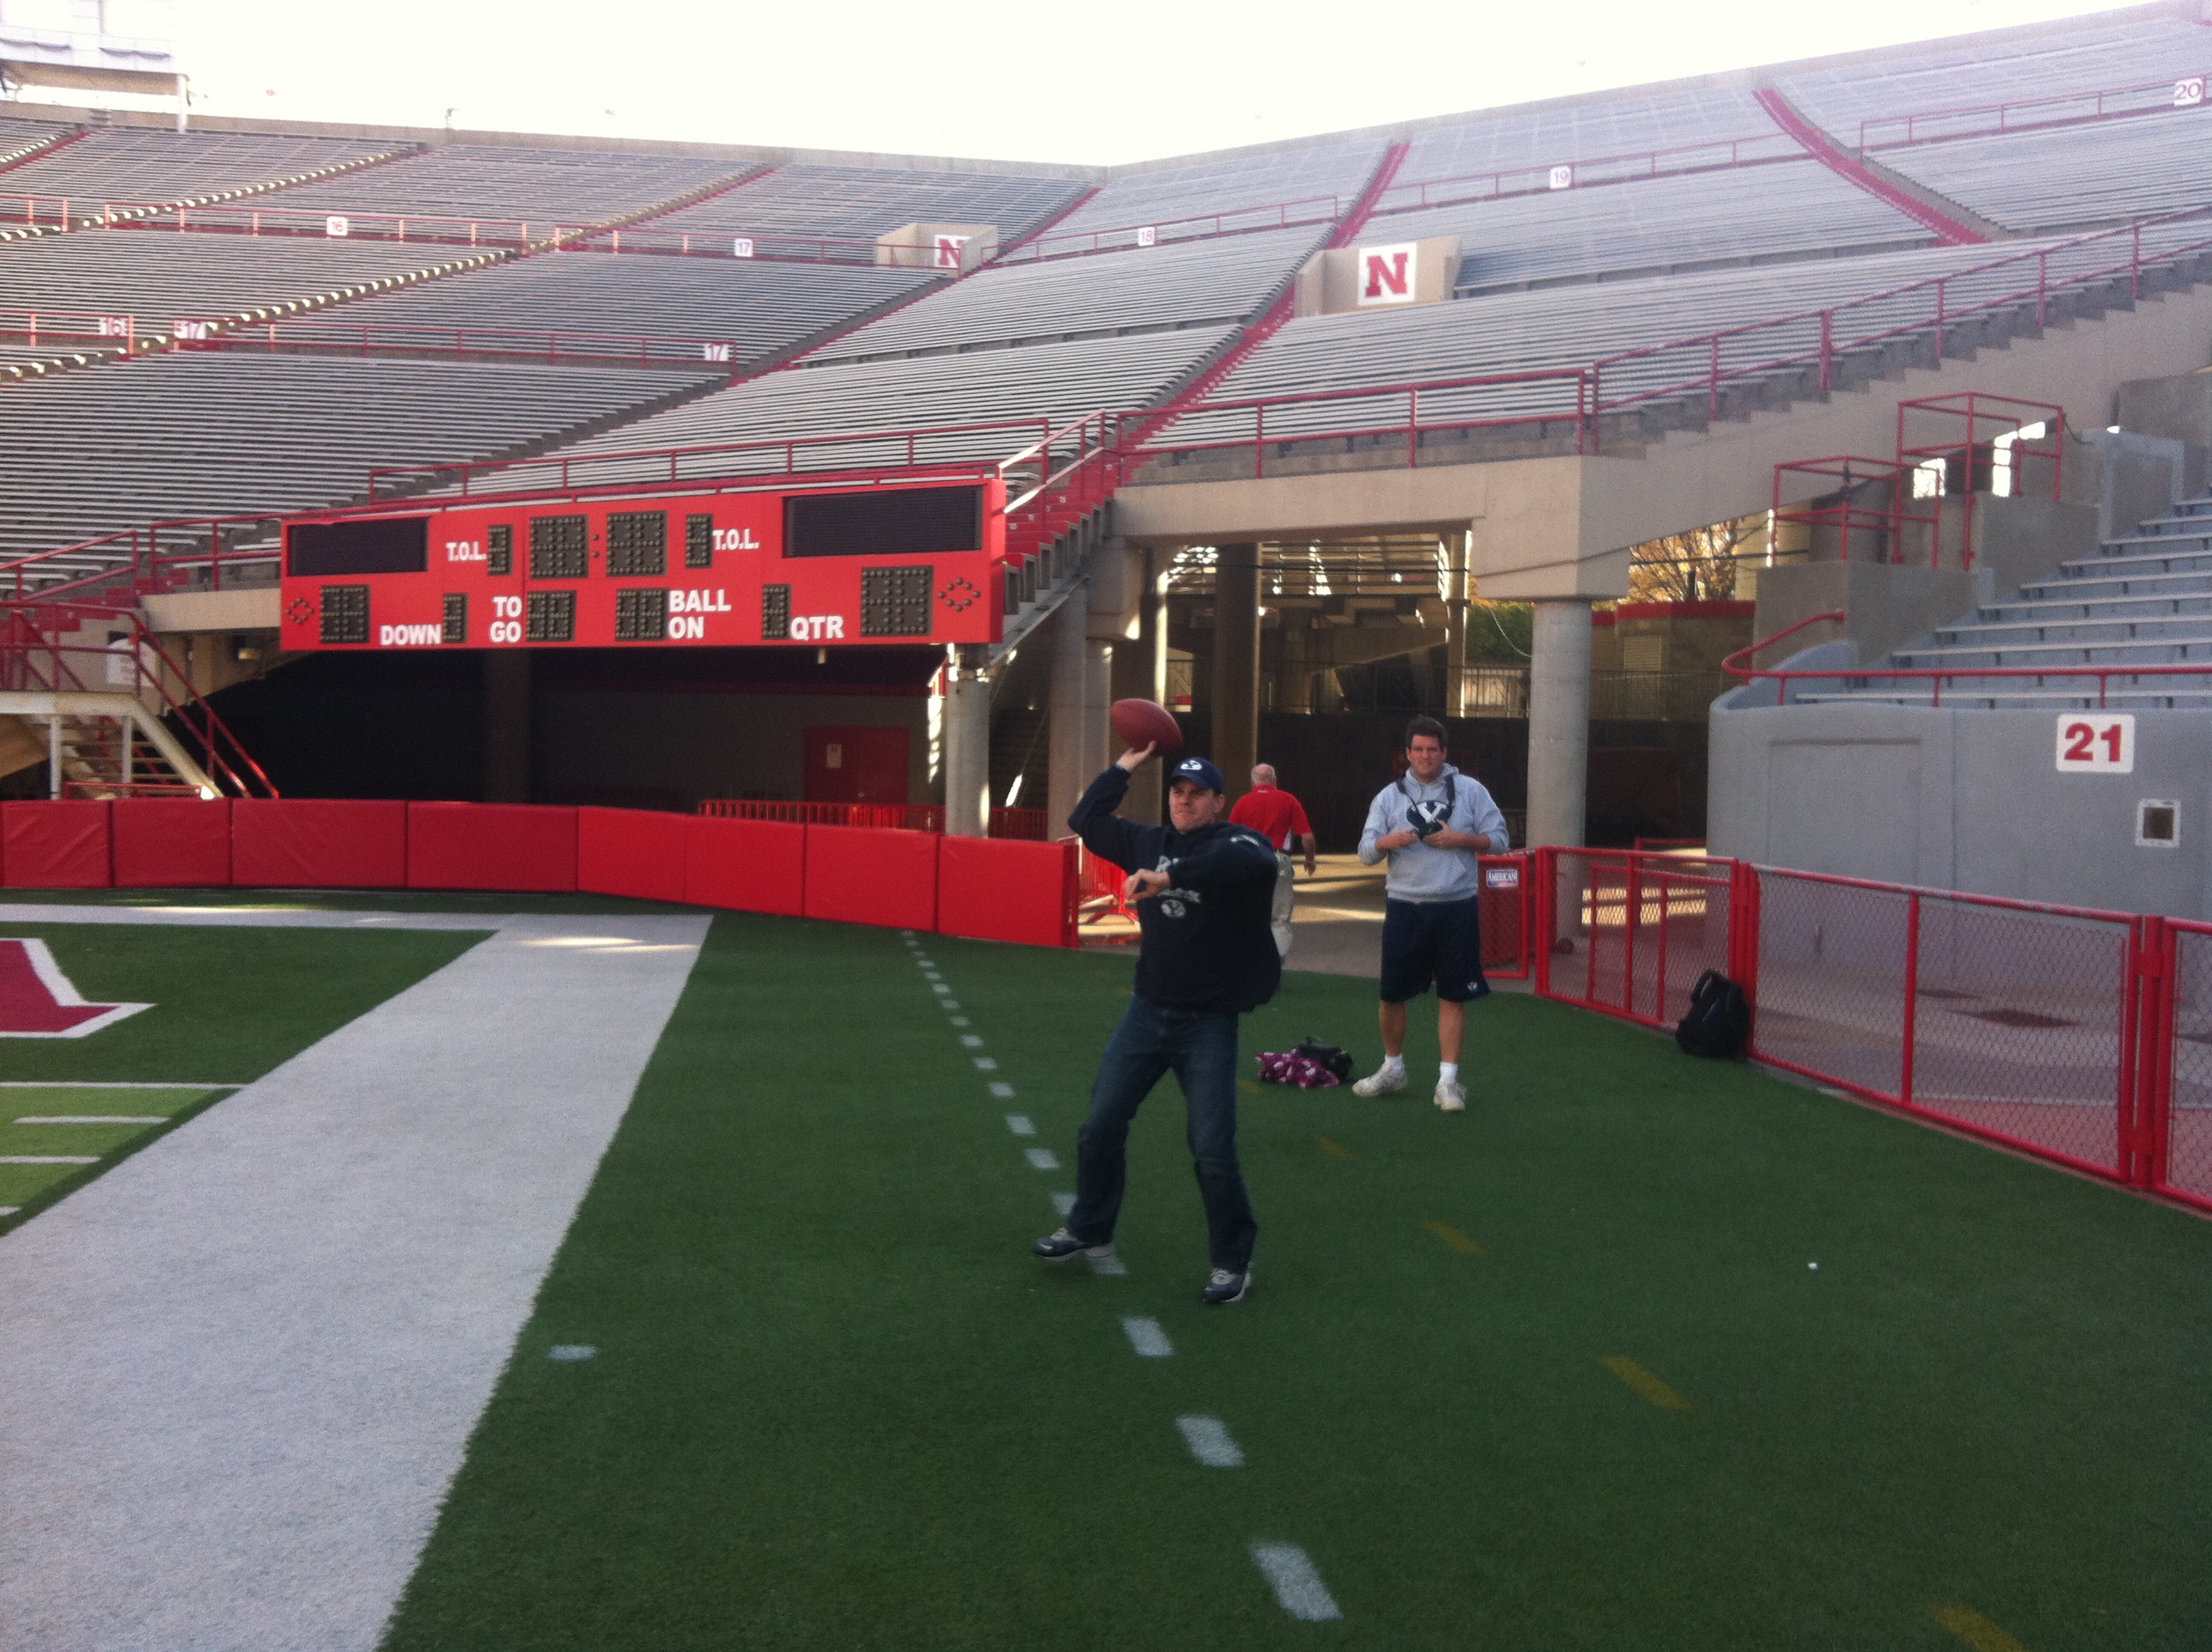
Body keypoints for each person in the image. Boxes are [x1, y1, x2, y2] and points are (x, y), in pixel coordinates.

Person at [1033, 745, 1281, 1305]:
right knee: (1099, 1127)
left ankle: (1232, 1262)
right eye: (1178, 792)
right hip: (1147, 1014)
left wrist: (1170, 877)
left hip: (1208, 1023)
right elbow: (1085, 820)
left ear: (1219, 802)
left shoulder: (1237, 842)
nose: (1185, 801)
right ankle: (1090, 1229)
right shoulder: (1146, 841)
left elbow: (1255, 864)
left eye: (1197, 794)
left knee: (1211, 1148)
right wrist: (1126, 765)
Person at [1352, 715, 1509, 1113]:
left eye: (1432, 749)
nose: (1425, 756)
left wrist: (1461, 839)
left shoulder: (1471, 791)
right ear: (1407, 753)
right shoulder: (1388, 797)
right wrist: (1387, 842)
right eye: (1418, 749)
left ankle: (1448, 1082)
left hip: (1457, 906)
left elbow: (1501, 841)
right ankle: (1393, 1069)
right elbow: (1366, 853)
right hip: (1405, 906)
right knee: (1392, 994)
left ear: (1444, 752)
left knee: (1453, 994)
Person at [1228, 763, 1319, 960]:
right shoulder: (1289, 800)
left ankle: (1248, 961)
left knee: (1249, 914)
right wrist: (1310, 860)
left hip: (1249, 861)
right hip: (1278, 860)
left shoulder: (1242, 803)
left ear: (1253, 782)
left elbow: (1231, 839)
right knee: (1279, 917)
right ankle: (1276, 964)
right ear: (1275, 781)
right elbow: (1307, 838)